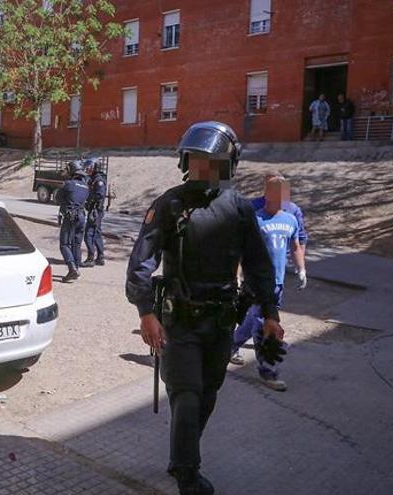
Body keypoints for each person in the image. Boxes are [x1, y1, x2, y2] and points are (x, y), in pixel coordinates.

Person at [126, 121, 283, 495]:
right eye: (195, 159)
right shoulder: (168, 205)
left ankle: (181, 455)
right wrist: (145, 312)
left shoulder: (240, 209)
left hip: (222, 321)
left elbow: (259, 265)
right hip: (178, 320)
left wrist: (271, 315)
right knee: (187, 393)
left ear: (226, 165)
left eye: (209, 160)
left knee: (208, 392)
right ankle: (187, 475)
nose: (201, 167)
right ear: (184, 160)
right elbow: (140, 264)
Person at [231, 176, 305, 392]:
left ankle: (230, 346)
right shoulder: (255, 219)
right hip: (256, 283)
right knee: (262, 324)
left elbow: (296, 245)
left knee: (253, 319)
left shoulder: (291, 219)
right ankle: (267, 370)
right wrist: (237, 275)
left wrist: (302, 269)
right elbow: (241, 250)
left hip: (277, 284)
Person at [248, 172, 309, 284]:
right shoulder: (254, 207)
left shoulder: (292, 209)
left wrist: (300, 267)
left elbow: (300, 239)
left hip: (280, 260)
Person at [57, 161, 89, 282]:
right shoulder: (86, 187)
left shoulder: (68, 184)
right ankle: (77, 268)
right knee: (77, 244)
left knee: (64, 244)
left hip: (70, 217)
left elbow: (58, 198)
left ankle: (72, 268)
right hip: (81, 217)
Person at [81, 158, 108, 267]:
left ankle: (90, 259)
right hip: (95, 210)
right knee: (96, 234)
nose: (87, 169)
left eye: (90, 167)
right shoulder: (93, 179)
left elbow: (99, 195)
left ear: (95, 167)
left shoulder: (99, 181)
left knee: (89, 234)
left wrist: (89, 203)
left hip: (95, 211)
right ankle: (100, 258)